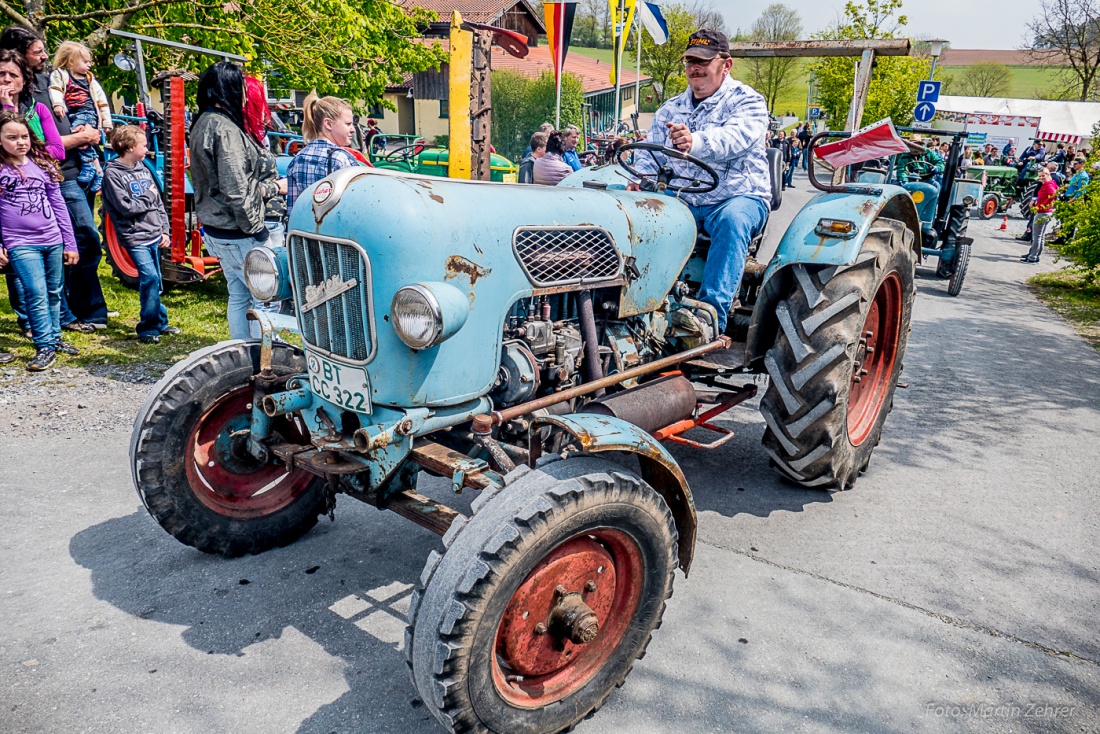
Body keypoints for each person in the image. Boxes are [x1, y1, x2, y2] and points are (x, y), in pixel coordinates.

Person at [632, 28, 770, 334]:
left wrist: (695, 141)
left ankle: (709, 318)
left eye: (704, 61)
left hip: (737, 196)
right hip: (687, 199)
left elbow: (737, 137)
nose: (695, 67)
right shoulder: (670, 108)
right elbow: (650, 153)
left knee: (733, 222)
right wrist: (639, 178)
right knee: (636, 215)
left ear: (726, 64)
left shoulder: (747, 101)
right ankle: (638, 310)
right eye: (690, 60)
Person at [0, 30, 109, 333]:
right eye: (37, 51)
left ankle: (74, 312)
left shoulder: (45, 92)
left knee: (82, 240)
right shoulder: (10, 103)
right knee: (22, 253)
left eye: (13, 75)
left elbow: (56, 147)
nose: (44, 56)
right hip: (20, 187)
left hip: (65, 175)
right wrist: (74, 139)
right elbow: (16, 147)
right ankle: (37, 321)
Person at [190, 62, 279, 341]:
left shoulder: (203, 121)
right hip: (239, 230)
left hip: (217, 228)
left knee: (239, 294)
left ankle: (241, 352)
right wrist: (257, 229)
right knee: (265, 299)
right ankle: (260, 357)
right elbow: (237, 189)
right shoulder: (224, 129)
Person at [0, 110, 79, 370]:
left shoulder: (43, 165)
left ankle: (55, 337)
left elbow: (59, 207)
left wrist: (70, 243)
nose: (20, 142)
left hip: (53, 239)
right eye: (12, 137)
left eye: (24, 136)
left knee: (55, 291)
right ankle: (44, 346)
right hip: (20, 242)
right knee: (35, 292)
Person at [101, 125, 180, 344]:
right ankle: (147, 328)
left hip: (154, 233)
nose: (147, 149)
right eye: (143, 145)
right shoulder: (113, 174)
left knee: (155, 280)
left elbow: (158, 203)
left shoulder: (143, 168)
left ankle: (160, 321)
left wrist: (164, 230)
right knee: (150, 278)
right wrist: (147, 196)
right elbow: (126, 208)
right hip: (135, 236)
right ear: (129, 147)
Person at [48, 41, 112, 193]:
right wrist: (58, 103)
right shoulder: (61, 75)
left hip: (88, 112)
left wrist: (106, 121)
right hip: (72, 113)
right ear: (71, 61)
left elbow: (102, 101)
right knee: (83, 140)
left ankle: (88, 165)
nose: (89, 65)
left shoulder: (90, 80)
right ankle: (98, 171)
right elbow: (55, 89)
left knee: (79, 135)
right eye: (85, 61)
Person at [285, 92, 358, 211]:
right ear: (328, 124)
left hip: (304, 228)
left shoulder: (297, 159)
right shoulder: (342, 159)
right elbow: (355, 206)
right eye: (348, 124)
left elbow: (293, 208)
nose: (353, 130)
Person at [243, 76, 288, 247]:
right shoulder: (244, 140)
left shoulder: (257, 135)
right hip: (263, 221)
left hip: (268, 217)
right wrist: (277, 187)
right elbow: (240, 188)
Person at [1022, 168, 1057, 264]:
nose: (1041, 178)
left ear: (1048, 174)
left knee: (1036, 236)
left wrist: (1045, 204)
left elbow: (1053, 194)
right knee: (1040, 236)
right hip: (1045, 211)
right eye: (1039, 176)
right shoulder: (1051, 183)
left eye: (1043, 175)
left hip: (1042, 212)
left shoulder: (1048, 185)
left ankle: (1032, 257)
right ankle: (1036, 256)